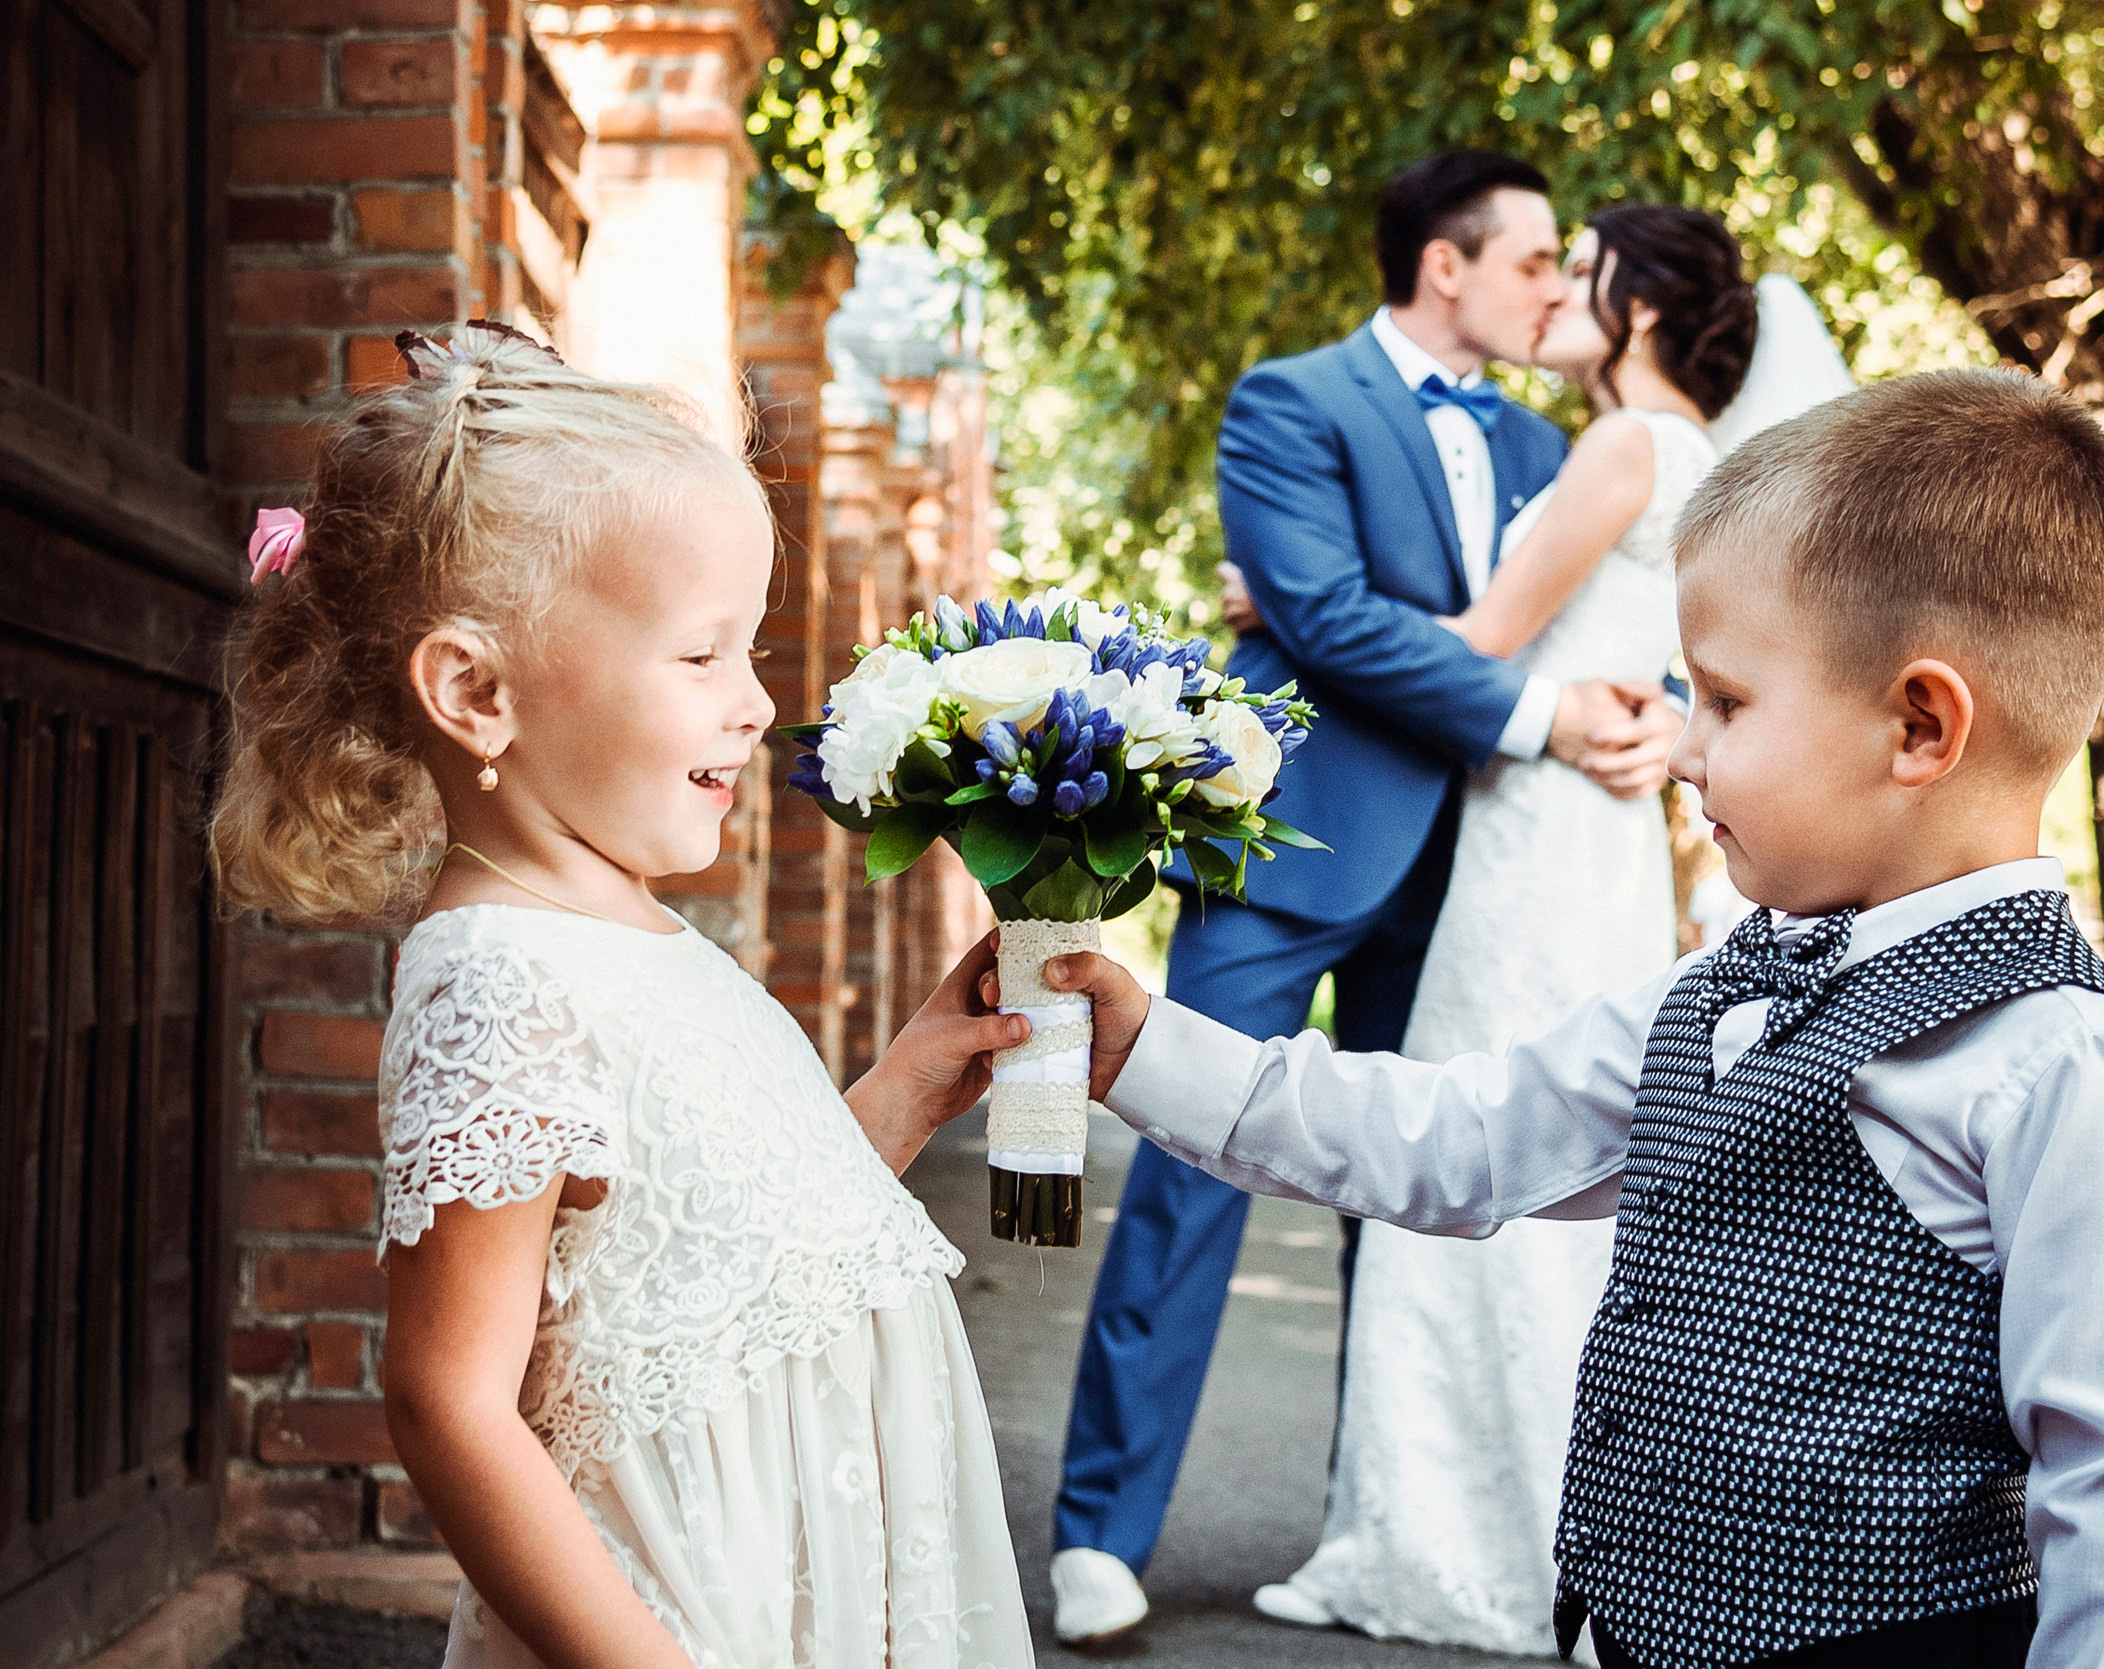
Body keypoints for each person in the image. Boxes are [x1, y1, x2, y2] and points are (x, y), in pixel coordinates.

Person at [1022, 368, 2104, 1668]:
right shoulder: (1709, 994)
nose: (1684, 744)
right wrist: (1147, 1046)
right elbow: (1455, 1137)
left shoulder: (2059, 1067)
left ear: (1919, 725)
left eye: (1726, 700)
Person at [209, 324, 1037, 1669]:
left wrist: (897, 1093)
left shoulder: (634, 933)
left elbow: (706, 1265)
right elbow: (448, 1400)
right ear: (476, 690)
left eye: (752, 654)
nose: (757, 705)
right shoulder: (501, 979)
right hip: (689, 1618)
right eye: (703, 656)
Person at [1046, 150, 1685, 1645]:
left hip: (1485, 873)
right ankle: (1101, 1529)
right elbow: (1329, 621)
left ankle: (1375, 1518)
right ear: (1446, 265)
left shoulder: (1558, 448)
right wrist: (1517, 705)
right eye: (1535, 260)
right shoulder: (1291, 399)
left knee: (1415, 1196)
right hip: (1304, 846)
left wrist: (1655, 710)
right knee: (1194, 1150)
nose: (1554, 287)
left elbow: (1569, 612)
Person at [1232, 205, 1791, 1655]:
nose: (1551, 290)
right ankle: (1565, 1532)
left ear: (1643, 306)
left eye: (1577, 267)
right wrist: (1671, 734)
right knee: (1567, 1161)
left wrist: (1283, 605)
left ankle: (1438, 1543)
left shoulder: (1618, 444)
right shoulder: (1709, 460)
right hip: (1591, 838)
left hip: (1533, 835)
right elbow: (1687, 681)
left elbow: (1481, 644)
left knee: (1478, 1145)